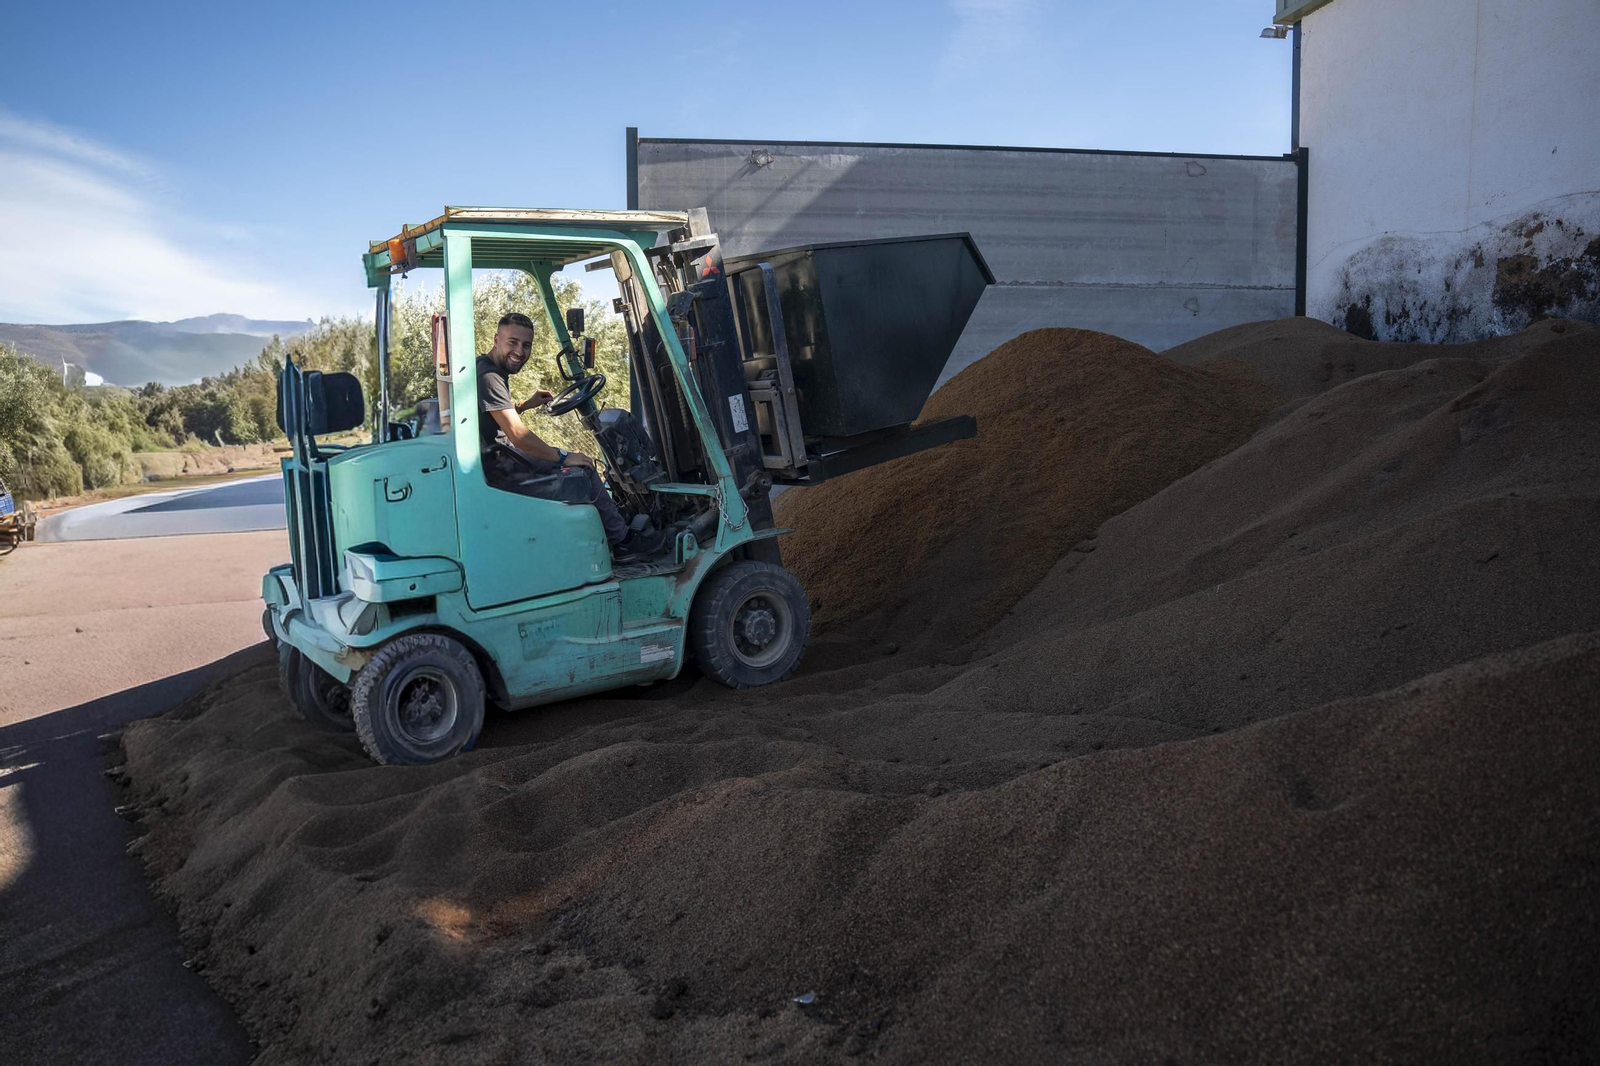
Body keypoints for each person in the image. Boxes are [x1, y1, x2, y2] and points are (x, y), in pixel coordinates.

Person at [478, 312, 660, 558]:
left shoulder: (486, 368)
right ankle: (623, 541)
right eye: (513, 342)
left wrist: (522, 406)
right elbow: (519, 435)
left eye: (526, 345)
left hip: (500, 458)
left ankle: (613, 528)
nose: (520, 352)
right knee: (584, 471)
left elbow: (492, 416)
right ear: (496, 339)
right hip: (502, 469)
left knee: (574, 461)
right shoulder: (489, 376)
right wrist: (564, 457)